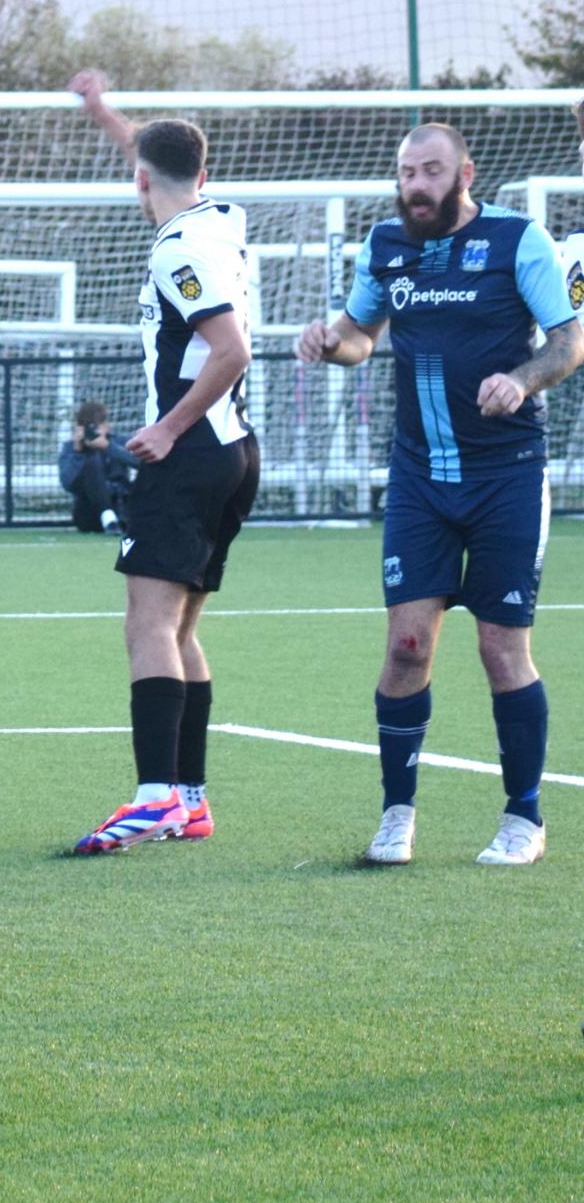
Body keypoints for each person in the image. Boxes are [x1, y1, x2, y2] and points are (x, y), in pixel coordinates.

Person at [297, 120, 583, 867]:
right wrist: (332, 343)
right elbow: (362, 335)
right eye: (406, 172)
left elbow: (567, 341)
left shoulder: (520, 241)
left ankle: (524, 818)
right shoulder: (387, 246)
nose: (415, 184)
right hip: (421, 481)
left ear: (465, 174)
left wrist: (520, 381)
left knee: (500, 649)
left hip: (507, 477)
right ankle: (397, 816)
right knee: (406, 647)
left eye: (430, 171)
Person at [66, 74, 261, 855]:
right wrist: (106, 116)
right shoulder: (220, 219)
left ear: (142, 180)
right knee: (179, 629)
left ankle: (152, 800)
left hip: (193, 450)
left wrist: (168, 429)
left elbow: (230, 350)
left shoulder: (179, 249)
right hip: (234, 449)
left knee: (147, 625)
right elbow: (154, 157)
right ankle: (188, 799)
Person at [58, 400, 136, 535]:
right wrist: (78, 452)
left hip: (123, 506)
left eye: (96, 426)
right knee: (92, 464)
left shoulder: (119, 442)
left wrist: (107, 447)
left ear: (106, 425)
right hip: (90, 513)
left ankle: (112, 518)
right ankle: (108, 517)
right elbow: (67, 483)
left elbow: (139, 463)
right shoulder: (70, 448)